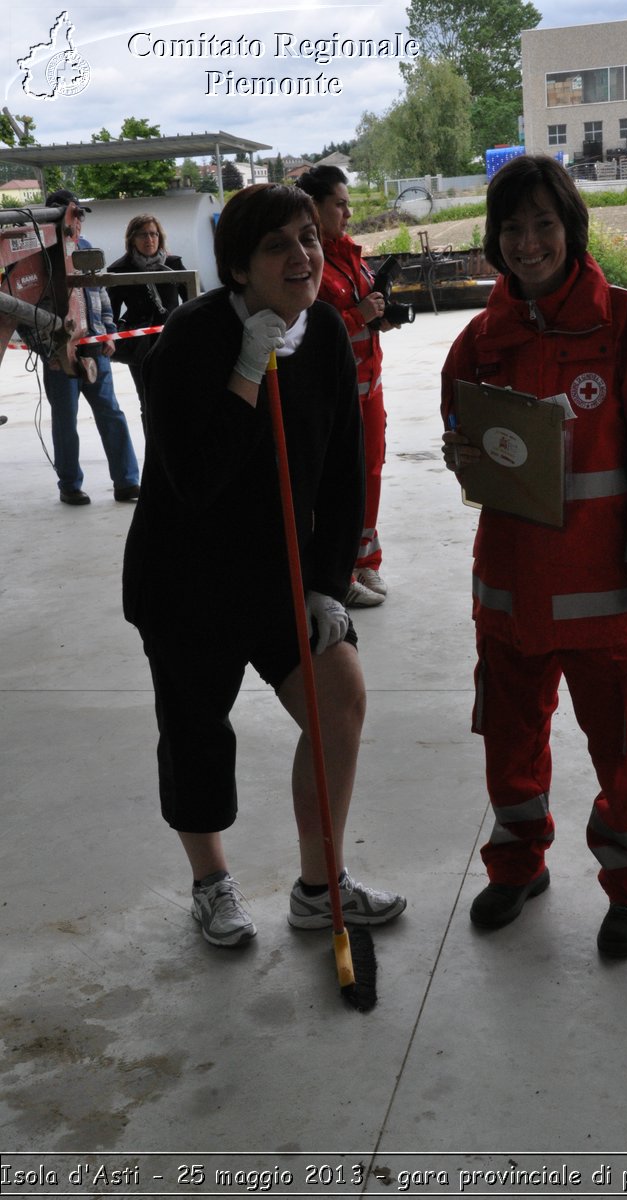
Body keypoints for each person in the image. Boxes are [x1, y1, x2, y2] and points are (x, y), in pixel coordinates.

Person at [122, 183, 406, 946]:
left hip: (279, 572)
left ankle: (319, 886)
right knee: (197, 734)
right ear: (239, 269)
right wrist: (248, 368)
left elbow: (343, 478)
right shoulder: (189, 339)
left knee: (338, 695)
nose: (303, 255)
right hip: (186, 580)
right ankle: (210, 882)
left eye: (308, 237)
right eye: (278, 244)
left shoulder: (322, 339)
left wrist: (324, 586)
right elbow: (197, 478)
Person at [441, 155, 627, 957]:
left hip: (605, 599)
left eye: (542, 225)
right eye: (511, 228)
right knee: (509, 742)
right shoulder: (481, 340)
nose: (527, 243)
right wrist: (464, 457)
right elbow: (464, 442)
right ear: (494, 240)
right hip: (510, 592)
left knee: (623, 750)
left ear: (570, 228)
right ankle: (517, 864)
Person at [296, 165, 395, 608]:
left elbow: (361, 312)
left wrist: (381, 316)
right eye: (340, 204)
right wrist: (360, 316)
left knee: (368, 474)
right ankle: (336, 572)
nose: (348, 213)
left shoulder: (349, 255)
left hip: (368, 386)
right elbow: (307, 326)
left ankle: (364, 559)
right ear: (314, 208)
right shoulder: (305, 262)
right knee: (334, 485)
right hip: (332, 394)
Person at [42, 190, 140, 506]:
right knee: (65, 421)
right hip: (59, 351)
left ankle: (127, 482)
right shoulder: (39, 257)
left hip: (94, 347)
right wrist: (47, 347)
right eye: (73, 216)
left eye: (80, 216)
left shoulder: (86, 250)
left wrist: (108, 333)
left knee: (111, 413)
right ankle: (70, 485)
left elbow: (101, 295)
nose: (78, 222)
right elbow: (25, 311)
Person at [107, 214, 188, 409]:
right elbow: (111, 311)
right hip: (140, 344)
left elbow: (190, 301)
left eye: (153, 234)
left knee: (177, 398)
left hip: (172, 339)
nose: (149, 240)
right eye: (143, 235)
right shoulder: (119, 270)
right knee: (147, 400)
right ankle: (152, 440)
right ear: (132, 239)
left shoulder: (174, 264)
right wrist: (110, 337)